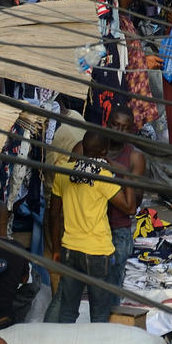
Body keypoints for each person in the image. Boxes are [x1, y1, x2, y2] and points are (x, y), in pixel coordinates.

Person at [45, 129, 130, 323]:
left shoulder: (63, 174)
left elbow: (54, 214)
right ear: (103, 152)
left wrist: (56, 249)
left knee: (68, 310)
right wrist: (126, 176)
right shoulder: (103, 176)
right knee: (99, 313)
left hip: (69, 249)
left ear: (82, 148)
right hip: (98, 251)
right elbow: (129, 207)